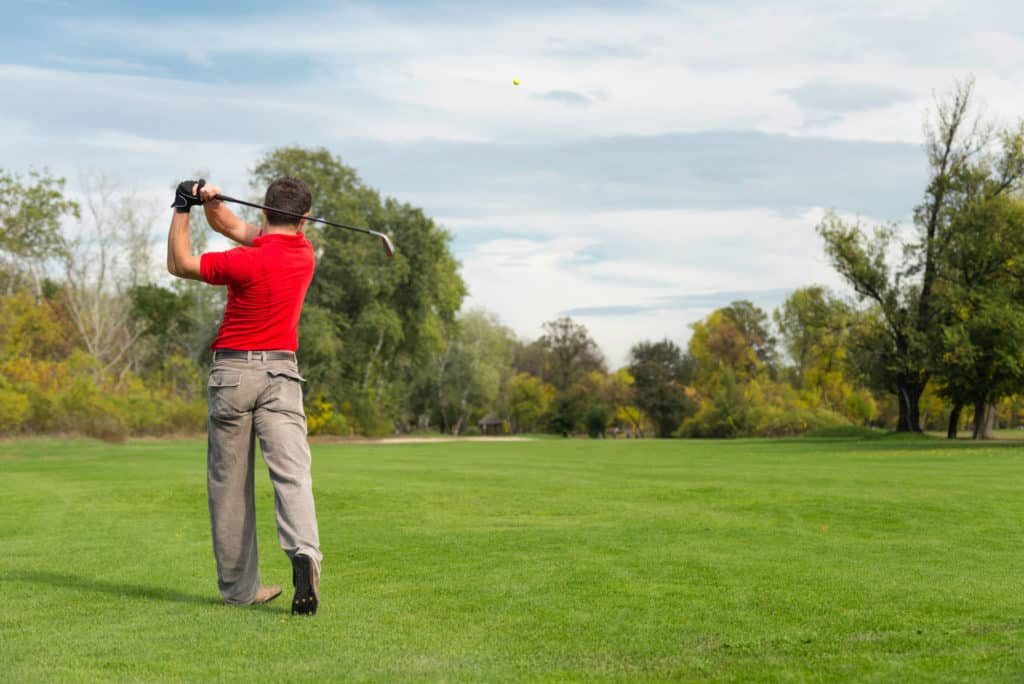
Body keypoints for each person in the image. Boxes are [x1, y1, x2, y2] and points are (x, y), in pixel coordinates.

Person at [166, 177, 322, 615]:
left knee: (229, 486)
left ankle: (240, 589)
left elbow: (179, 263)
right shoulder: (303, 253)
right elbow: (233, 226)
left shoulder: (242, 263)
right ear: (304, 219)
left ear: (264, 209)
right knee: (292, 474)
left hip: (233, 375)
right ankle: (304, 553)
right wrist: (212, 204)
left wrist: (183, 207)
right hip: (282, 374)